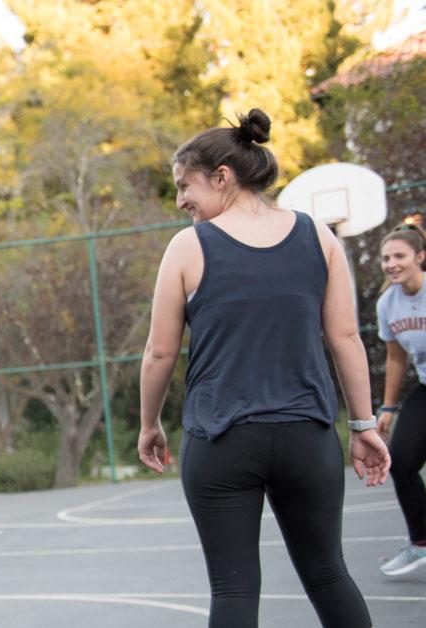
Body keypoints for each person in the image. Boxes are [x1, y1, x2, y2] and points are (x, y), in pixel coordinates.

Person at [136, 108, 391, 627]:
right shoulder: (319, 236)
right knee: (328, 573)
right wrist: (363, 425)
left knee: (233, 587)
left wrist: (149, 423)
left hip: (222, 437)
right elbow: (345, 337)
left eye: (186, 186)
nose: (181, 200)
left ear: (222, 177)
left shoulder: (187, 246)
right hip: (307, 436)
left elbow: (159, 353)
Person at [374, 222, 426, 576]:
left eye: (399, 256)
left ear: (420, 258)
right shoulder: (388, 304)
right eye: (385, 258)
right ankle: (421, 542)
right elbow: (396, 358)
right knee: (402, 462)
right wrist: (388, 407)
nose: (391, 263)